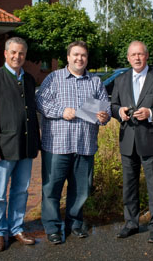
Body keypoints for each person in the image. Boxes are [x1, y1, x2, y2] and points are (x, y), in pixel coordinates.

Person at [36, 41, 111, 244]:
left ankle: (75, 224)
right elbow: (41, 102)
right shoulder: (54, 78)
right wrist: (61, 111)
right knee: (52, 189)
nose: (80, 59)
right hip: (57, 145)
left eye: (83, 55)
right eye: (76, 55)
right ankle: (52, 227)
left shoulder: (95, 81)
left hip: (85, 145)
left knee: (80, 189)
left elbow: (106, 108)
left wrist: (105, 116)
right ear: (68, 57)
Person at [111, 41, 153, 243]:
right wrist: (119, 112)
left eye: (140, 54)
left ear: (146, 56)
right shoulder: (121, 80)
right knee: (129, 185)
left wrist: (150, 113)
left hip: (151, 139)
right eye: (133, 55)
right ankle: (131, 223)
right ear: (128, 58)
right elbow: (113, 105)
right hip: (128, 140)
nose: (137, 58)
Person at [0, 37, 40, 252]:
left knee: (21, 191)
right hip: (4, 148)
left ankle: (16, 227)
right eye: (13, 52)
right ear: (5, 53)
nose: (17, 57)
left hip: (26, 146)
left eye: (21, 53)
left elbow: (31, 112)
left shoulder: (30, 79)